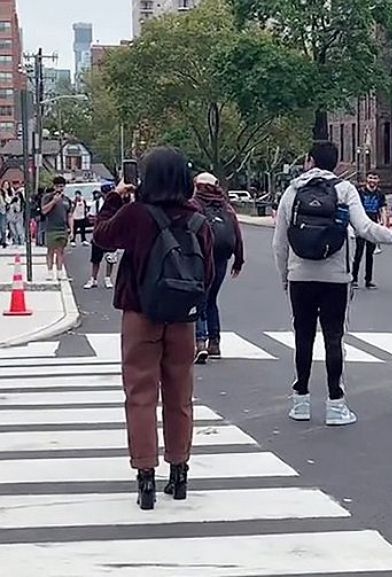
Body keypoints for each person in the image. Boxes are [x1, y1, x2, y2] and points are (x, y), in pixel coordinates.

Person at [94, 147, 214, 510]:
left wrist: (115, 198)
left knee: (141, 394)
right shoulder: (198, 220)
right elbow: (206, 273)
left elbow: (102, 236)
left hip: (140, 311)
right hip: (183, 317)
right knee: (180, 396)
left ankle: (145, 475)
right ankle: (180, 471)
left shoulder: (136, 214)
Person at [273, 141, 392, 427]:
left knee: (303, 337)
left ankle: (300, 400)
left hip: (300, 275)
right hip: (336, 277)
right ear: (337, 164)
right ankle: (335, 403)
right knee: (333, 338)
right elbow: (366, 228)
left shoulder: (292, 191)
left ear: (309, 160)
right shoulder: (345, 190)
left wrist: (285, 276)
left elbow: (279, 241)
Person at [193, 172, 244, 363]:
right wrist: (238, 260)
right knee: (211, 299)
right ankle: (215, 343)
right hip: (222, 257)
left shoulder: (195, 205)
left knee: (199, 298)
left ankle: (200, 342)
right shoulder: (226, 207)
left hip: (200, 257)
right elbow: (237, 235)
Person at [351, 171, 386, 290]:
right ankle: (354, 278)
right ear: (367, 179)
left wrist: (384, 225)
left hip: (373, 226)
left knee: (370, 254)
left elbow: (382, 209)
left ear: (378, 180)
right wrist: (354, 226)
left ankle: (368, 280)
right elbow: (354, 208)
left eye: (375, 178)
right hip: (361, 225)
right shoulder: (360, 192)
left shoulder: (380, 194)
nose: (372, 180)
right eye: (370, 178)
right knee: (358, 253)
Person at [85, 186, 118, 290]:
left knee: (111, 258)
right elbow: (90, 217)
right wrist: (99, 219)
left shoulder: (115, 204)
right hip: (99, 233)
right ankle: (93, 278)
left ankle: (108, 278)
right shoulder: (97, 203)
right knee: (95, 259)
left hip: (111, 234)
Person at [41, 176, 73, 281]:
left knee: (61, 251)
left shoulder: (67, 200)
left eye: (62, 186)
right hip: (51, 228)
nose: (60, 188)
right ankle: (50, 271)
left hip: (63, 228)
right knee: (50, 250)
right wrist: (53, 201)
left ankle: (60, 272)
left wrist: (72, 229)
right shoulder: (47, 197)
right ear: (54, 186)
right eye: (58, 186)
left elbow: (70, 215)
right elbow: (44, 211)